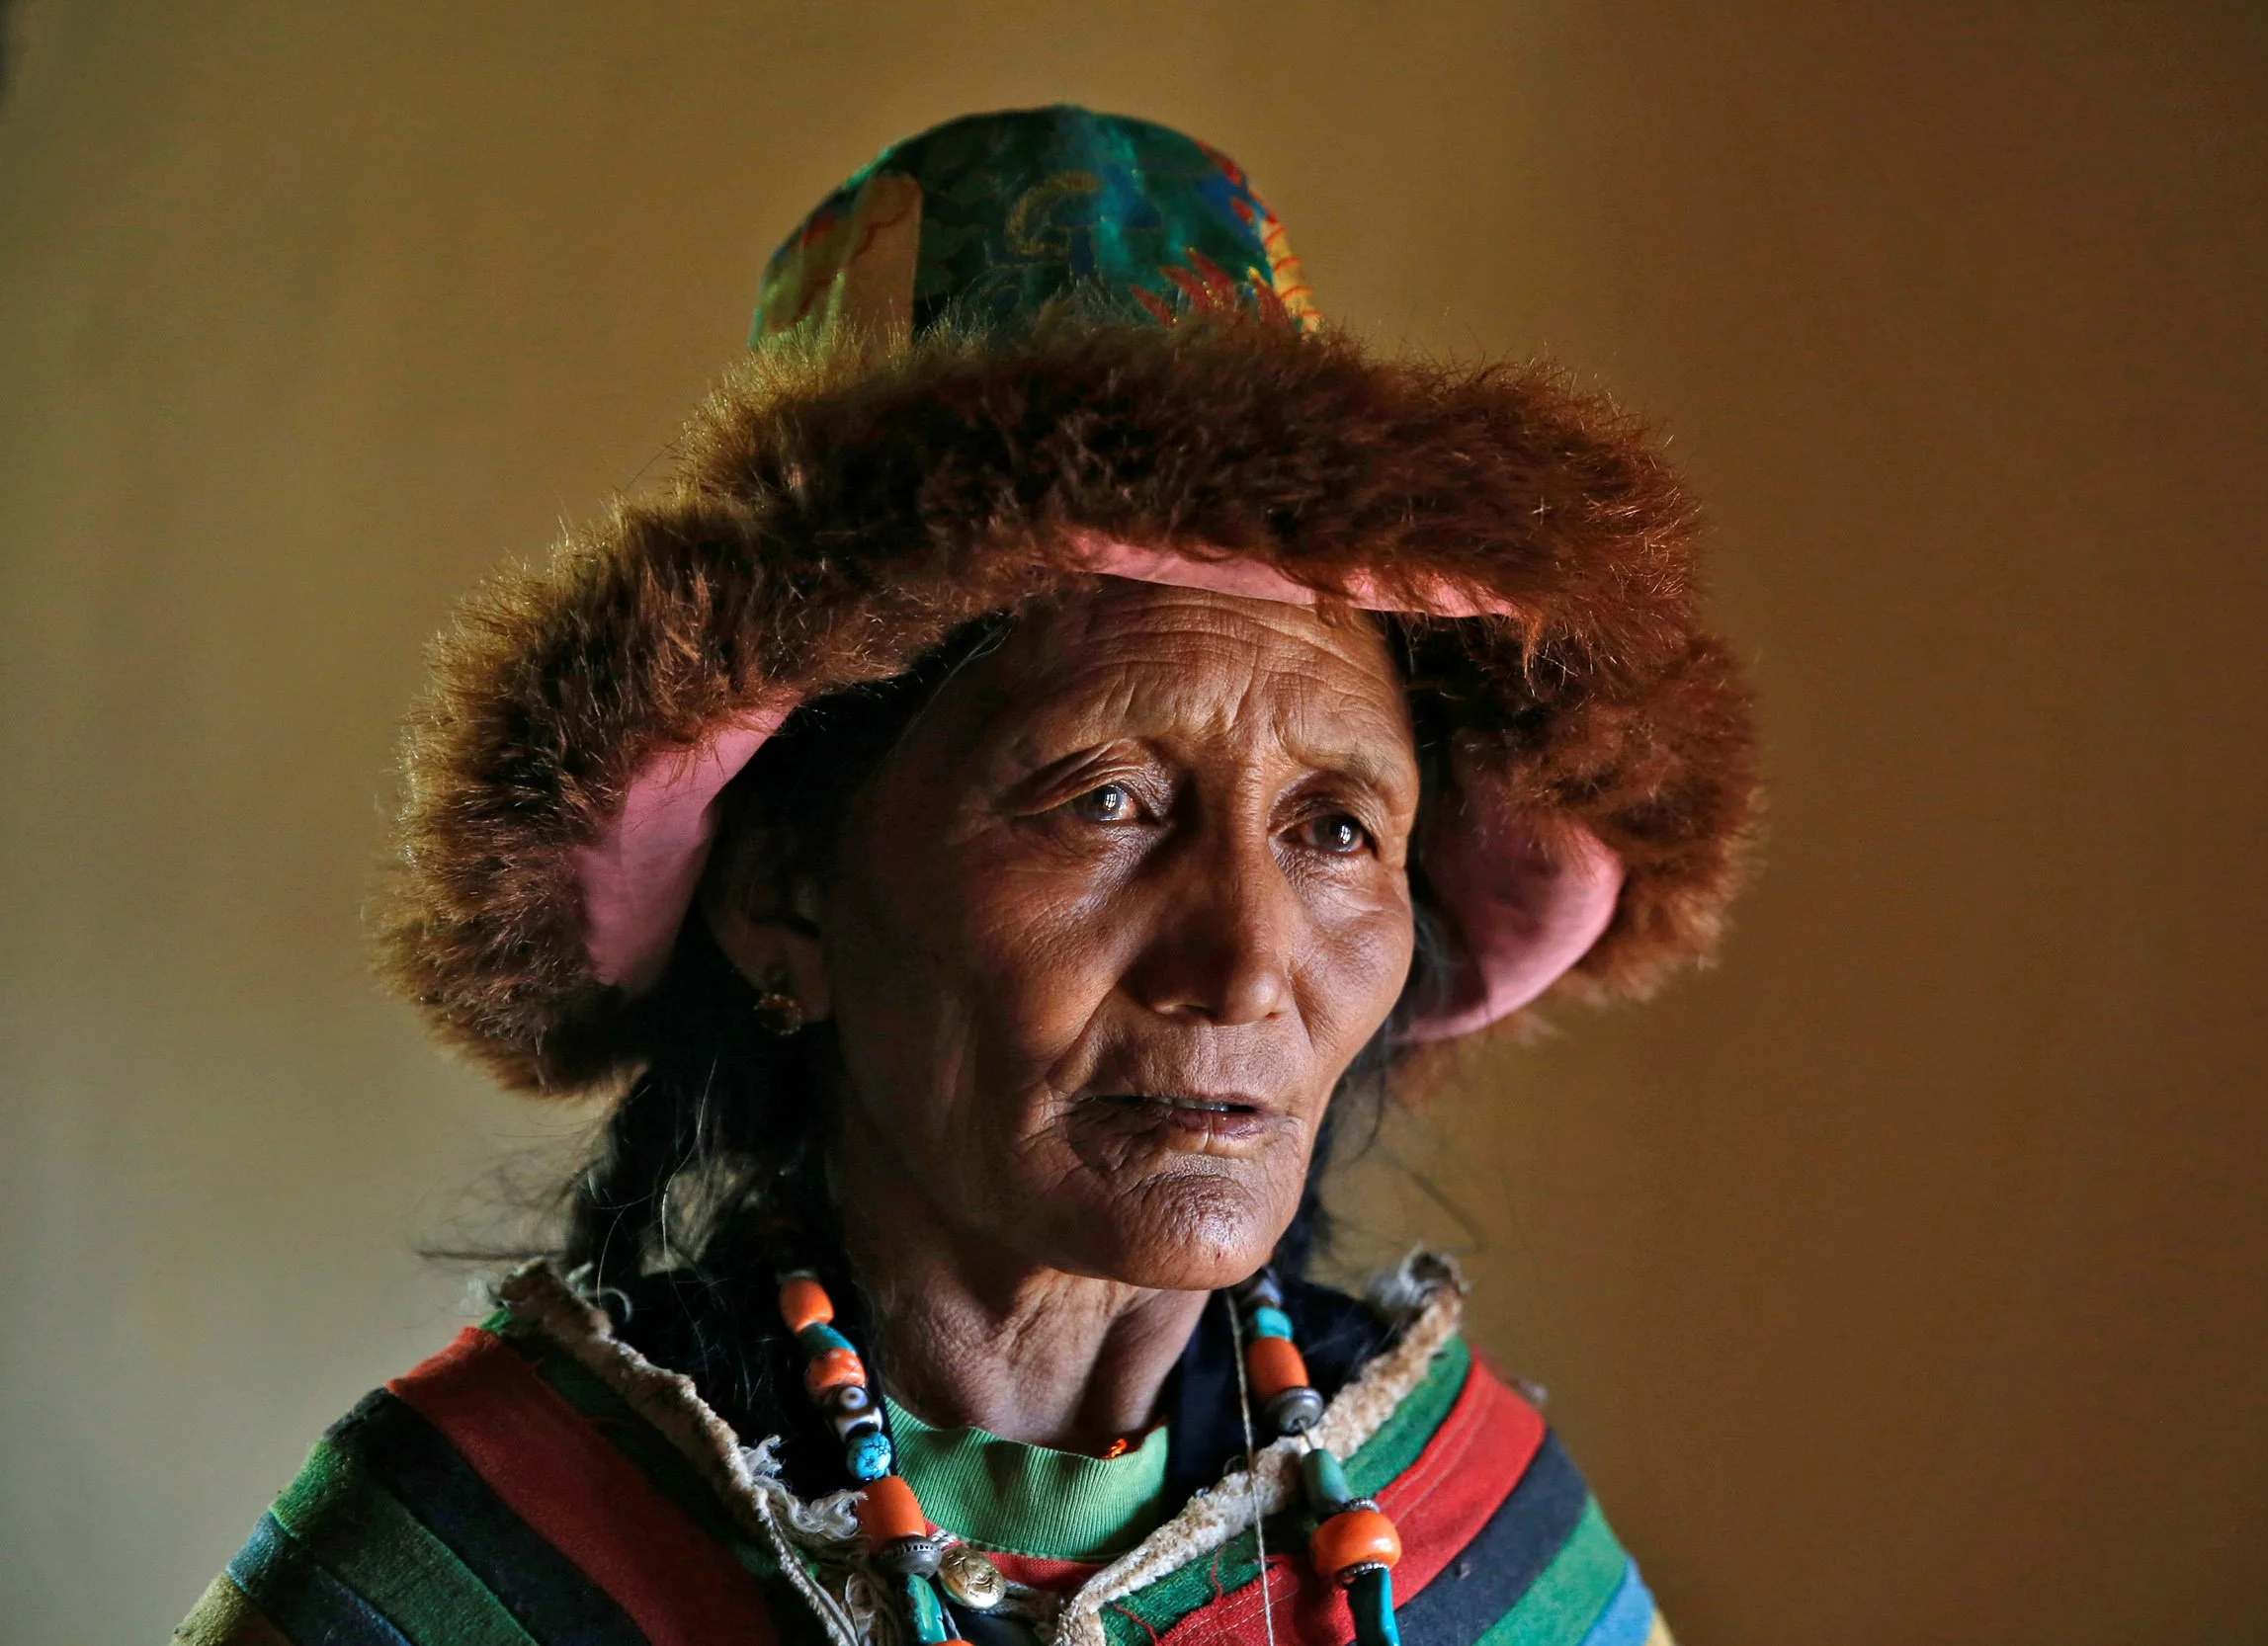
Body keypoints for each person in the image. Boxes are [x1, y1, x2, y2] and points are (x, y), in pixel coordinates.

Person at [173, 107, 1756, 1646]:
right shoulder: (491, 1554)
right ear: (785, 892)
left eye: (1337, 827)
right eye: (1110, 800)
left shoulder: (1467, 1531)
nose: (1247, 958)